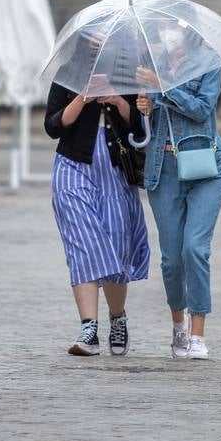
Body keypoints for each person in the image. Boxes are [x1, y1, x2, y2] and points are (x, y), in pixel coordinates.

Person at [135, 27, 221, 361]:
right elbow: (148, 121)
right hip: (164, 170)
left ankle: (198, 334)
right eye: (164, 31)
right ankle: (178, 325)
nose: (168, 36)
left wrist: (162, 88)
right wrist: (145, 106)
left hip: (206, 168)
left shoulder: (208, 65)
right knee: (172, 259)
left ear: (189, 33)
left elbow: (201, 109)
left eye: (174, 30)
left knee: (195, 249)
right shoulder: (152, 66)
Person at [44, 55, 149, 357]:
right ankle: (88, 327)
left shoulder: (129, 72)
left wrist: (117, 100)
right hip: (73, 164)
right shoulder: (69, 72)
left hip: (115, 168)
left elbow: (140, 126)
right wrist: (82, 98)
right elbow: (53, 126)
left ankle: (118, 317)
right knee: (83, 242)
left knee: (117, 245)